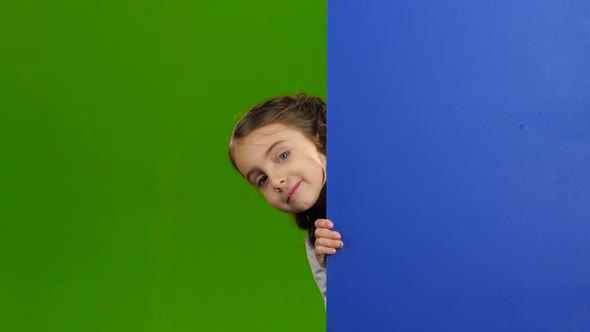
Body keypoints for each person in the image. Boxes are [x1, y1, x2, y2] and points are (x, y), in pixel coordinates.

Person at [228, 93, 343, 308]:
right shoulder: (318, 244)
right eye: (262, 179)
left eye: (282, 156)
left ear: (320, 139)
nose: (276, 181)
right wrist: (337, 272)